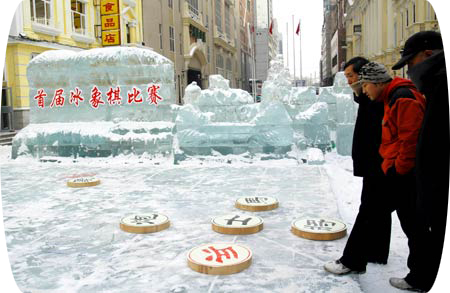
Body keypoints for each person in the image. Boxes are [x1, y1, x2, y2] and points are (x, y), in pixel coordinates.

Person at [359, 61, 431, 292]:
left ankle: (421, 277)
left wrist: (397, 169)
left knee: (414, 227)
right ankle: (420, 275)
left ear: (378, 83)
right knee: (409, 224)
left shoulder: (402, 98)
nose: (364, 91)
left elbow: (410, 141)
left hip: (404, 176)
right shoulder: (392, 96)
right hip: (398, 172)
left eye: (366, 86)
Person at [391, 30, 449, 292]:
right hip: (431, 184)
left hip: (438, 186)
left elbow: (412, 136)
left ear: (428, 55)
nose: (409, 71)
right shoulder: (436, 87)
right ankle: (425, 278)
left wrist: (402, 166)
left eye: (410, 63)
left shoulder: (440, 87)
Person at [324, 57, 392, 275]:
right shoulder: (368, 96)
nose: (349, 81)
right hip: (376, 164)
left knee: (369, 210)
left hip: (379, 164)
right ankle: (377, 252)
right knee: (379, 210)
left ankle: (352, 260)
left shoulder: (377, 98)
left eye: (351, 76)